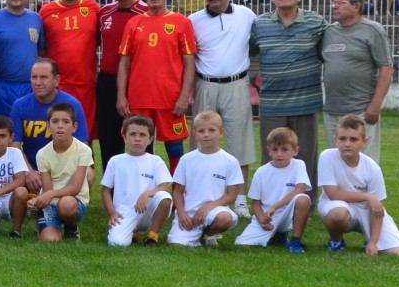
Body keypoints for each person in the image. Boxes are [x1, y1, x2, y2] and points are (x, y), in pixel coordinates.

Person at [117, 0, 198, 164]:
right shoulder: (134, 23)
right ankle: (143, 189)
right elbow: (124, 63)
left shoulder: (181, 22)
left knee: (174, 146)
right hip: (139, 97)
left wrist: (184, 96)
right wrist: (121, 96)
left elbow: (189, 63)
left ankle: (177, 191)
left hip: (169, 97)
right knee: (139, 145)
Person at [251, 0, 326, 184]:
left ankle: (305, 207)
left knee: (306, 156)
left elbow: (327, 54)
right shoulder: (260, 23)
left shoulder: (316, 22)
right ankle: (271, 201)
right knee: (272, 155)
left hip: (306, 101)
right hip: (272, 103)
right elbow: (249, 52)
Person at [189, 0, 259, 174]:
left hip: (236, 84)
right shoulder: (193, 20)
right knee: (201, 141)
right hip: (205, 84)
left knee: (239, 143)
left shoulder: (247, 15)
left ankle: (239, 199)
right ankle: (201, 191)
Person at [321, 0, 393, 163]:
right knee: (336, 162)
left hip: (361, 109)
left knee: (363, 163)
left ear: (356, 6)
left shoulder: (372, 30)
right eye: (334, 2)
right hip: (332, 110)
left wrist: (375, 105)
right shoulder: (328, 32)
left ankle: (366, 192)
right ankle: (338, 192)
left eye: (340, 3)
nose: (334, 6)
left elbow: (386, 68)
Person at [317, 115, 399, 255]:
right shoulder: (327, 157)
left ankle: (368, 240)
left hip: (366, 210)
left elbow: (378, 208)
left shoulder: (372, 167)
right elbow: (333, 194)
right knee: (337, 214)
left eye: (353, 139)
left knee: (398, 252)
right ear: (335, 140)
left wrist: (373, 242)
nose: (347, 144)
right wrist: (367, 196)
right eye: (342, 139)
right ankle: (336, 240)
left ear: (364, 142)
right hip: (337, 205)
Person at [37, 0, 102, 137]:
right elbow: (41, 48)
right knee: (55, 133)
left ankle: (88, 166)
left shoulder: (93, 7)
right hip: (57, 84)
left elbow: (98, 40)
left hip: (85, 82)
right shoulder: (46, 11)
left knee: (84, 134)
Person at [168, 111, 244, 246]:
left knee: (225, 219)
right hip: (189, 213)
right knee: (176, 244)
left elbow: (232, 196)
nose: (206, 134)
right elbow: (178, 192)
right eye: (201, 131)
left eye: (212, 130)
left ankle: (209, 234)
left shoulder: (230, 161)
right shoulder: (186, 160)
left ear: (221, 132)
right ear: (195, 134)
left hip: (215, 210)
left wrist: (209, 207)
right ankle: (190, 232)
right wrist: (181, 214)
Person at [235, 126, 313, 251]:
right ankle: (277, 235)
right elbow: (255, 202)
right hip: (267, 216)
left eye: (284, 149)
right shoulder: (261, 172)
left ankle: (295, 240)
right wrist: (262, 220)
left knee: (303, 199)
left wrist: (275, 207)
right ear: (269, 151)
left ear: (295, 150)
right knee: (243, 245)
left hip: (288, 214)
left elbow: (300, 189)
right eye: (275, 149)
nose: (279, 154)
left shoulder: (298, 165)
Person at [100, 114, 174, 247]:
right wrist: (112, 213)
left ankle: (153, 236)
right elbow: (105, 190)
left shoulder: (155, 161)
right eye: (132, 134)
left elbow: (164, 186)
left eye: (142, 135)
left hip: (148, 208)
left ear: (150, 139)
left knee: (165, 197)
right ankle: (132, 232)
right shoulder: (116, 161)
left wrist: (146, 194)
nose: (137, 139)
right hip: (125, 212)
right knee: (117, 243)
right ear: (125, 137)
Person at [27, 102, 92, 242]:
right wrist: (37, 201)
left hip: (73, 202)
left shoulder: (83, 150)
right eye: (55, 122)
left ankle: (71, 226)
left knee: (66, 204)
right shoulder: (42, 154)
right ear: (48, 126)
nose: (60, 126)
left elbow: (76, 188)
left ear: (74, 127)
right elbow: (48, 189)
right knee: (50, 240)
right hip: (51, 202)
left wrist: (50, 194)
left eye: (66, 122)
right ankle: (46, 228)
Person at [11, 58, 90, 170]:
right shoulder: (20, 105)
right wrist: (28, 172)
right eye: (34, 77)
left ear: (56, 80)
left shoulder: (72, 104)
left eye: (44, 77)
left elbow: (83, 145)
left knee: (89, 175)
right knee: (20, 188)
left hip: (64, 168)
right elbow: (15, 147)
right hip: (32, 170)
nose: (38, 82)